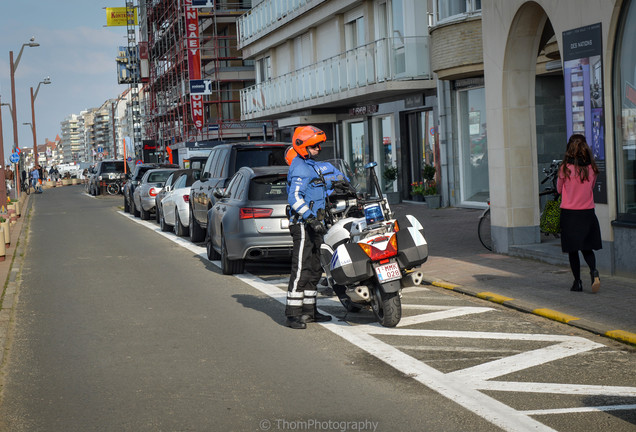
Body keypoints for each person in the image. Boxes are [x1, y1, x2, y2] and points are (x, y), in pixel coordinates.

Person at [285, 125, 334, 329]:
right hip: (304, 225)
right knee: (301, 270)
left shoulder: (310, 165)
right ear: (303, 147)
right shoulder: (299, 167)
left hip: (316, 224)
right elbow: (294, 197)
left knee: (315, 268)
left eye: (319, 146)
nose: (318, 149)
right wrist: (310, 218)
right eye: (314, 146)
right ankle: (293, 315)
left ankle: (309, 311)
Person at [557, 134, 602, 293]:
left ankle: (577, 282)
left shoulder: (564, 168)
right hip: (587, 212)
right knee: (587, 247)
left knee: (573, 250)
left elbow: (558, 189)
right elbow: (590, 188)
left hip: (570, 214)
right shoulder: (592, 169)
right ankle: (594, 271)